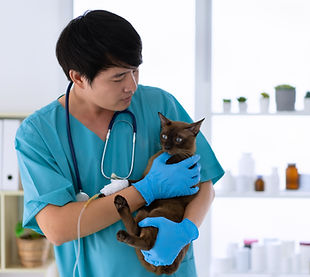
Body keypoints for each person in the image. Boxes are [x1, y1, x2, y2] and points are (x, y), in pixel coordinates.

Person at [15, 10, 224, 277]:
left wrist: (187, 230)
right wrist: (144, 190)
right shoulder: (39, 133)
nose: (132, 85)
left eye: (135, 71)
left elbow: (204, 183)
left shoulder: (160, 104)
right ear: (78, 77)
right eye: (118, 77)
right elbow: (57, 228)